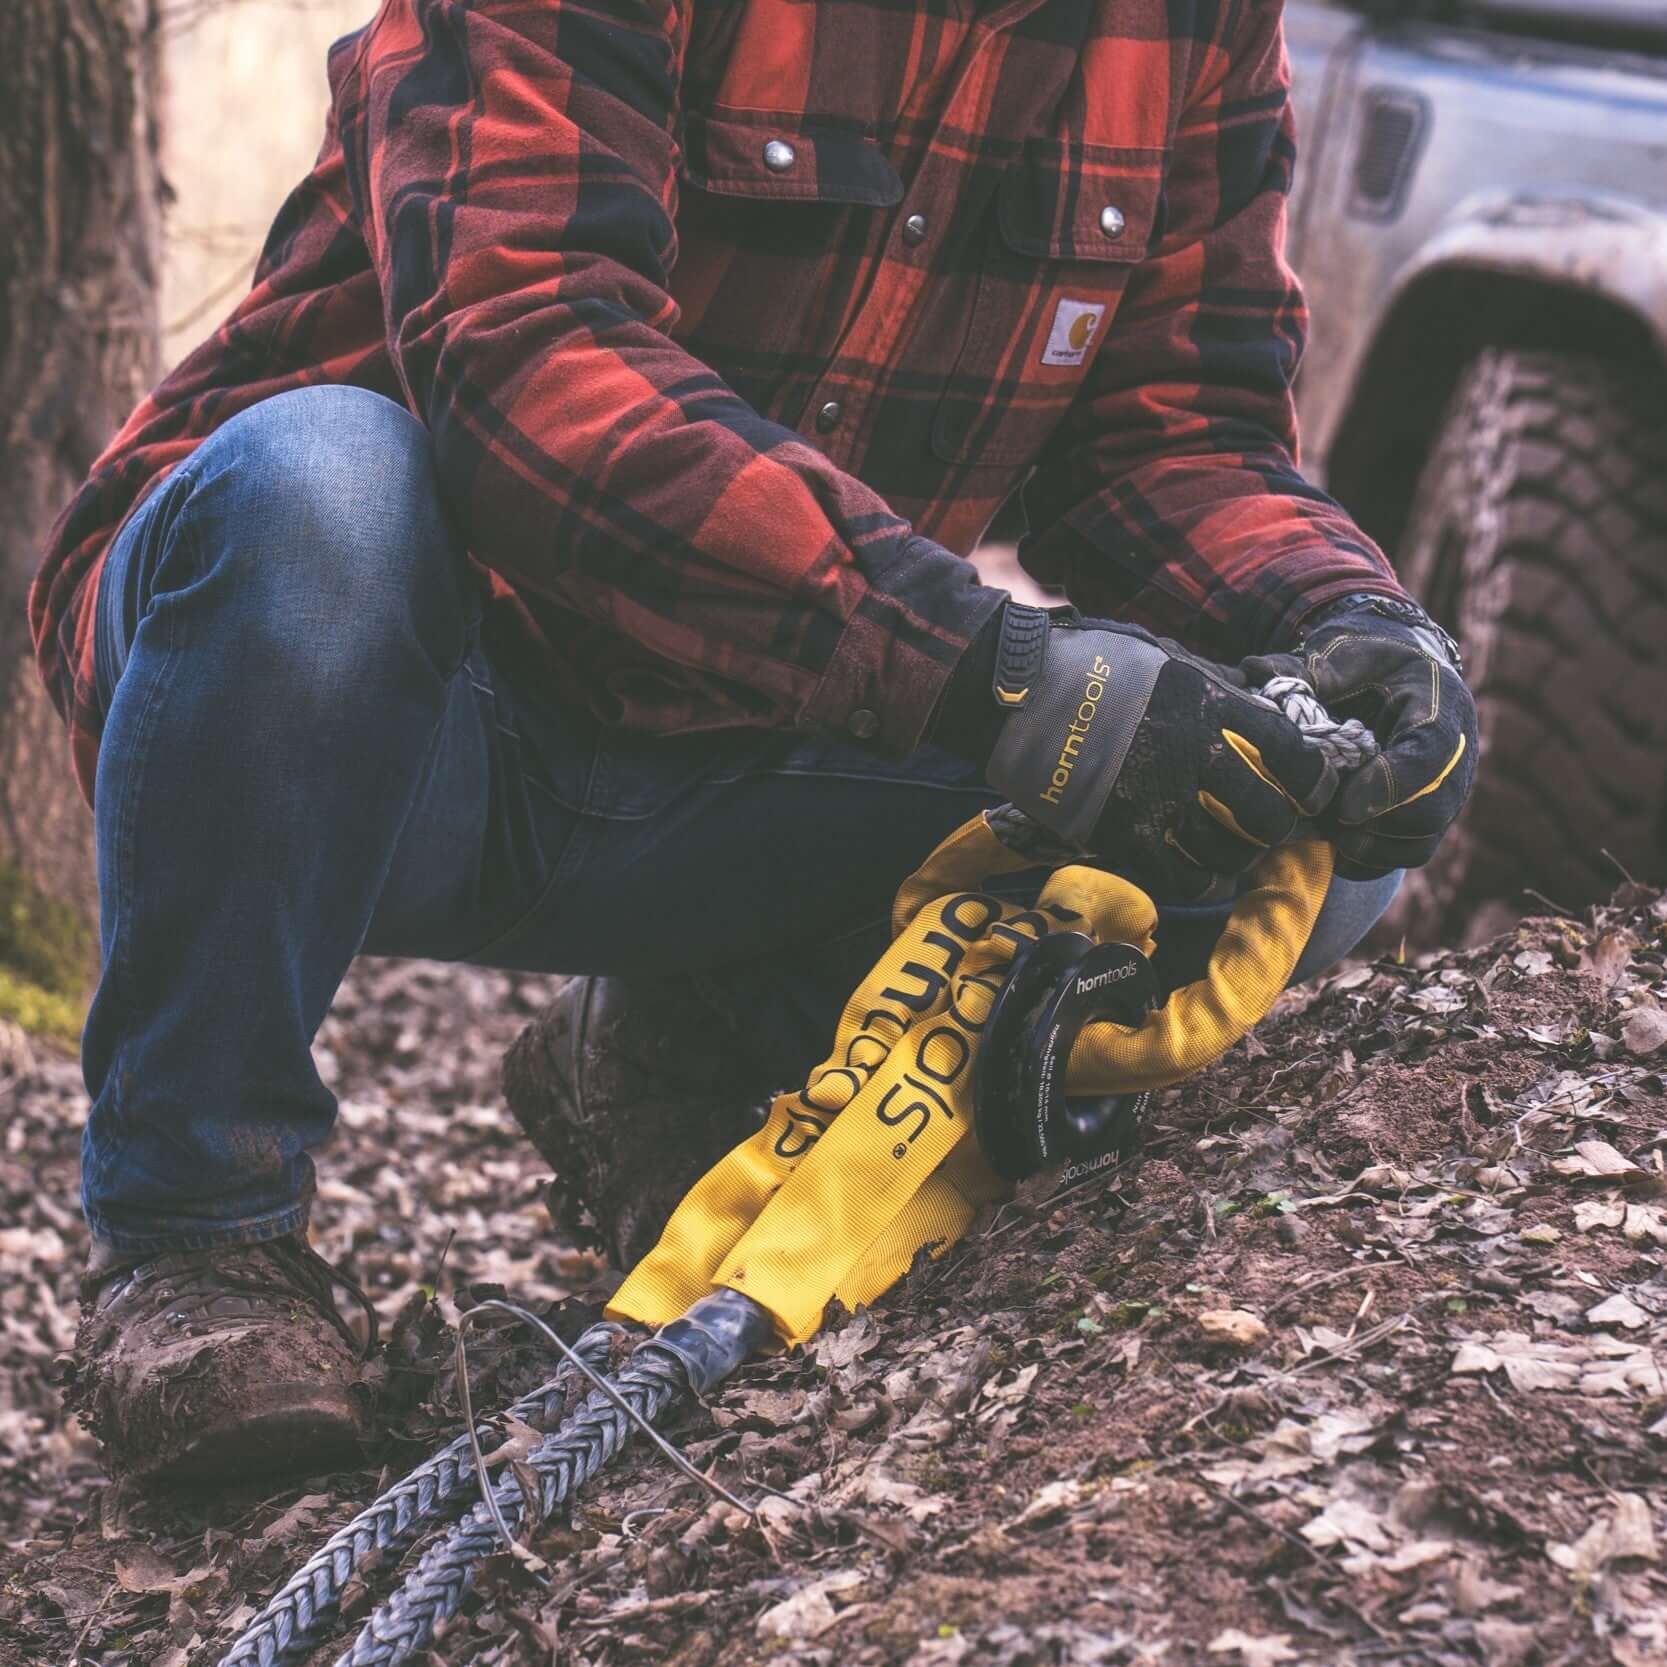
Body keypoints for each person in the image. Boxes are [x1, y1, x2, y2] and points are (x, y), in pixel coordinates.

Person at [33, 0, 1476, 1486]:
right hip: (373, 707)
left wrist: (1346, 621)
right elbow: (529, 346)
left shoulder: (1194, 25)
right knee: (318, 491)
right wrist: (993, 676)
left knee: (1285, 823)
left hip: (772, 721)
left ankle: (681, 1050)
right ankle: (196, 1237)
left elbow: (1175, 429)